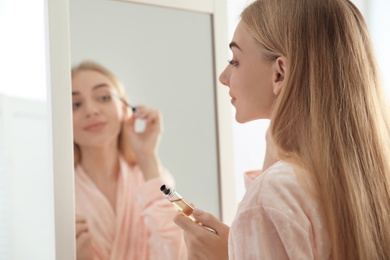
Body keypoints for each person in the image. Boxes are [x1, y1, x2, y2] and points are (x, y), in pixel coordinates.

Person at [174, 0, 390, 259]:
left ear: (279, 74)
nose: (224, 76)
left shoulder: (270, 197)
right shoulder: (370, 179)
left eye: (235, 60)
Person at [71, 60, 186, 260]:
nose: (91, 110)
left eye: (104, 97)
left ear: (125, 108)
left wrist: (147, 157)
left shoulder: (156, 177)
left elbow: (180, 251)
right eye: (75, 104)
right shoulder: (60, 194)